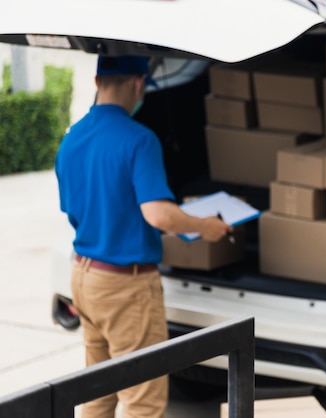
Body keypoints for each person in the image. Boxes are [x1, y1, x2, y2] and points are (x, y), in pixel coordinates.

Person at [55, 55, 232, 418]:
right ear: (139, 84)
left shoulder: (72, 137)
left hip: (85, 278)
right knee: (143, 402)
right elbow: (158, 214)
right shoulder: (139, 139)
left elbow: (73, 211)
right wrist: (205, 227)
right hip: (126, 287)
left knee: (97, 391)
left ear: (97, 80)